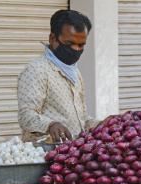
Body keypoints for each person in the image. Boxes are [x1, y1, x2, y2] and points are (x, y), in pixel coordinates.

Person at [17, 10, 98, 143]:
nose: (76, 49)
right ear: (53, 39)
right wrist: (50, 125)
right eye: (69, 44)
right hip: (45, 155)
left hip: (73, 154)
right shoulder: (37, 70)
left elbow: (82, 118)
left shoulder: (75, 72)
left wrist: (101, 124)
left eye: (81, 45)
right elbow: (26, 116)